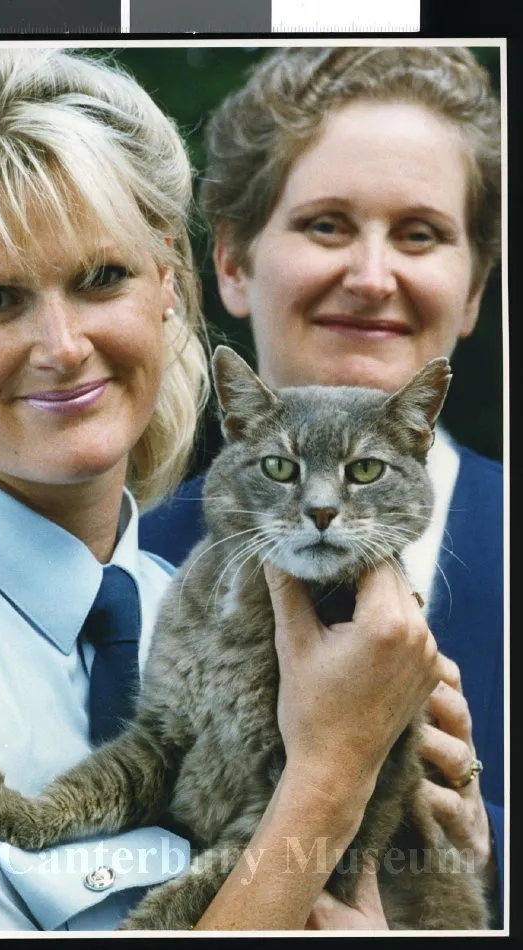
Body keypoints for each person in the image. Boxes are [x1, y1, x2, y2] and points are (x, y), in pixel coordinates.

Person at [0, 46, 452, 933]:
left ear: (166, 276)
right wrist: (331, 776)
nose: (62, 345)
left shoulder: (194, 602)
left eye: (100, 278)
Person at [140, 45, 504, 927]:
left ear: (473, 290)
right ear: (230, 261)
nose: (372, 276)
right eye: (326, 225)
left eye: (419, 234)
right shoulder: (123, 567)